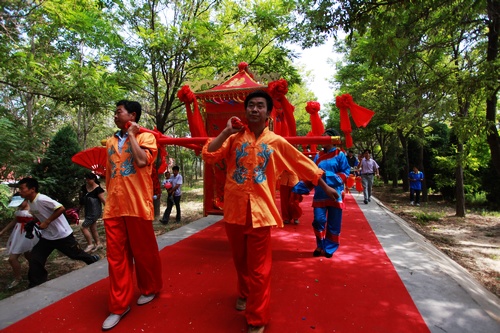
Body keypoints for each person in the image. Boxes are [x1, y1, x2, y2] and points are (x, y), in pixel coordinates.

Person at [202, 90, 338, 333]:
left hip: (261, 212)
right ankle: (244, 293)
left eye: (260, 106)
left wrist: (325, 186)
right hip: (234, 209)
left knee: (260, 268)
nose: (254, 109)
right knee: (240, 261)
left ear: (267, 113)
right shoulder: (233, 139)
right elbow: (210, 156)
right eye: (251, 106)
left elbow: (301, 162)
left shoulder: (276, 141)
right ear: (245, 111)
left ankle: (257, 318)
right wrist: (225, 131)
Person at [101, 100, 163, 331]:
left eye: (119, 111)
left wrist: (133, 136)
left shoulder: (147, 138)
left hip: (137, 205)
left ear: (132, 115)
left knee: (144, 253)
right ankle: (119, 305)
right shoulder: (109, 141)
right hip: (114, 207)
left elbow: (140, 161)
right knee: (116, 259)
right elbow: (109, 174)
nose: (115, 115)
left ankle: (150, 288)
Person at [16, 177, 100, 288]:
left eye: (22, 188)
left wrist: (47, 221)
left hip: (62, 235)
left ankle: (92, 260)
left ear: (32, 189)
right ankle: (36, 283)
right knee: (35, 258)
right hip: (47, 237)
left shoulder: (41, 199)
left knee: (75, 254)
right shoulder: (31, 202)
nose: (20, 191)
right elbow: (40, 214)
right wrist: (33, 222)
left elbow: (61, 208)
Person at [294, 129, 350, 258]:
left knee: (334, 223)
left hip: (335, 193)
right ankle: (320, 245)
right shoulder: (318, 156)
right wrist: (300, 188)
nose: (322, 139)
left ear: (332, 139)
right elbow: (312, 174)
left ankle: (330, 248)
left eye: (325, 137)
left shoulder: (340, 155)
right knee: (319, 220)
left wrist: (327, 175)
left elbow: (345, 173)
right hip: (320, 194)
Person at [0, 193, 39, 289]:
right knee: (14, 258)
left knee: (28, 256)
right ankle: (18, 278)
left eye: (20, 203)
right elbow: (15, 220)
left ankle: (35, 274)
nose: (19, 205)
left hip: (29, 233)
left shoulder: (32, 208)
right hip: (18, 234)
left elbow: (40, 219)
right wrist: (3, 231)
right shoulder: (20, 209)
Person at [79, 173, 105, 252]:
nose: (87, 181)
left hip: (95, 211)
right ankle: (98, 243)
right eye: (86, 179)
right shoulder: (84, 187)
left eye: (89, 179)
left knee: (84, 227)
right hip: (87, 210)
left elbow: (103, 200)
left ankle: (90, 244)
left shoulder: (98, 189)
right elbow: (82, 199)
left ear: (93, 179)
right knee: (93, 228)